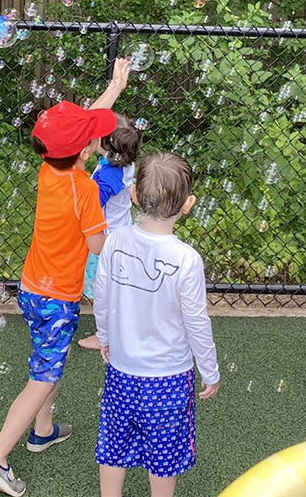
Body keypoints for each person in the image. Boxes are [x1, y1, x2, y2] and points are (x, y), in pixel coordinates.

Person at [0, 58, 132, 497]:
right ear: (85, 151)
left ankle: (42, 429)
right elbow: (99, 247)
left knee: (51, 356)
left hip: (31, 289)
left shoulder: (51, 170)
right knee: (43, 375)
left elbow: (80, 126)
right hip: (57, 299)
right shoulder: (85, 190)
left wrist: (114, 90)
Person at [92, 151, 220, 497]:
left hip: (121, 372)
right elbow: (197, 323)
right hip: (169, 381)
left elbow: (101, 297)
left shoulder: (115, 240)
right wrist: (210, 370)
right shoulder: (187, 260)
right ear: (188, 204)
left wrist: (104, 338)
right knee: (163, 458)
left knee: (114, 446)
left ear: (134, 195)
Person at [77, 113, 141, 351]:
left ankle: (104, 336)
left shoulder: (107, 176)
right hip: (121, 232)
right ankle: (122, 327)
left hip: (105, 241)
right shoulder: (124, 163)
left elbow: (93, 203)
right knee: (115, 288)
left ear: (105, 147)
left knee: (103, 292)